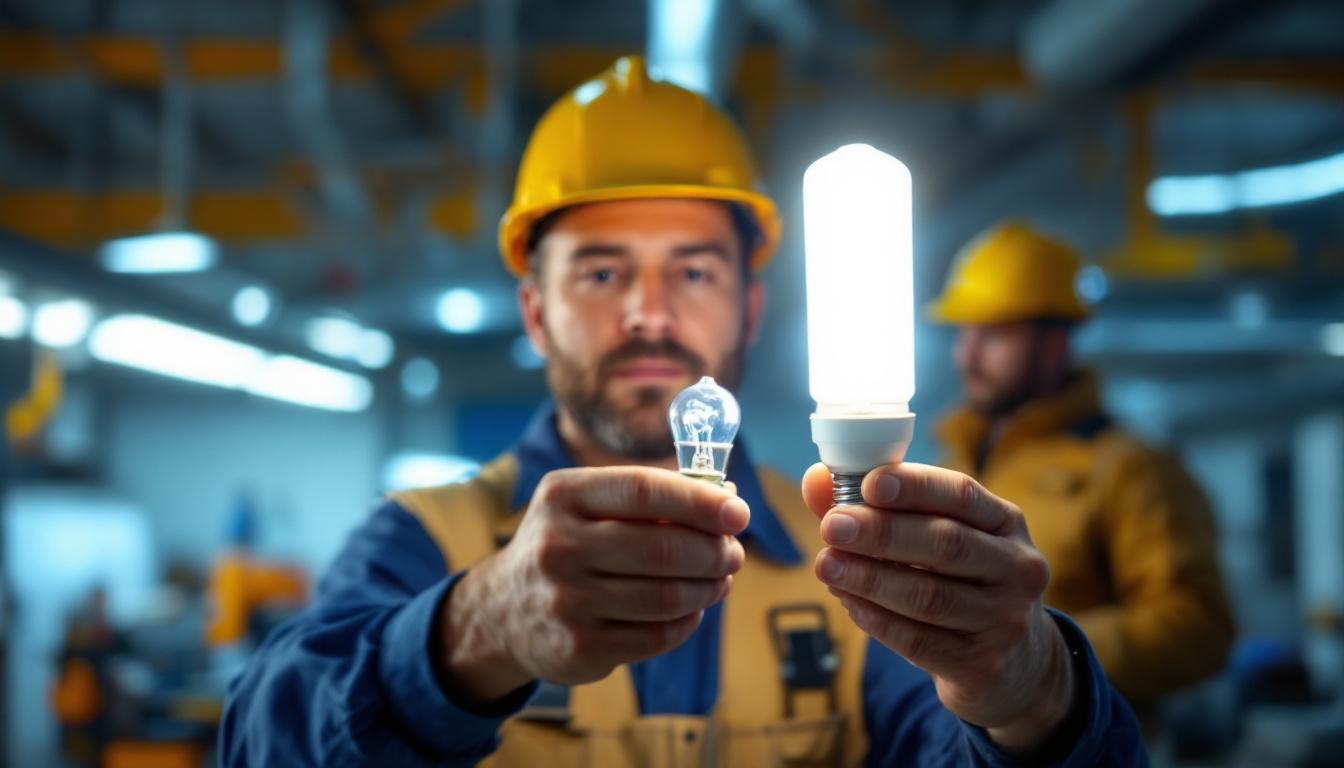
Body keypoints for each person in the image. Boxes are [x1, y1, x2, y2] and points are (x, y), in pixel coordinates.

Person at [221, 57, 1144, 766]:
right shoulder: (423, 544)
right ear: (535, 313)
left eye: (694, 270)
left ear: (751, 305)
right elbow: (258, 742)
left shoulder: (852, 556)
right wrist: (478, 629)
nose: (650, 312)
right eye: (602, 270)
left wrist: (1031, 695)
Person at [928, 220, 1235, 718]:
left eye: (996, 332)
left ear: (1054, 344)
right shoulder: (955, 464)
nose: (967, 355)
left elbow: (1199, 628)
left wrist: (1046, 653)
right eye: (964, 331)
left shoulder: (1127, 467)